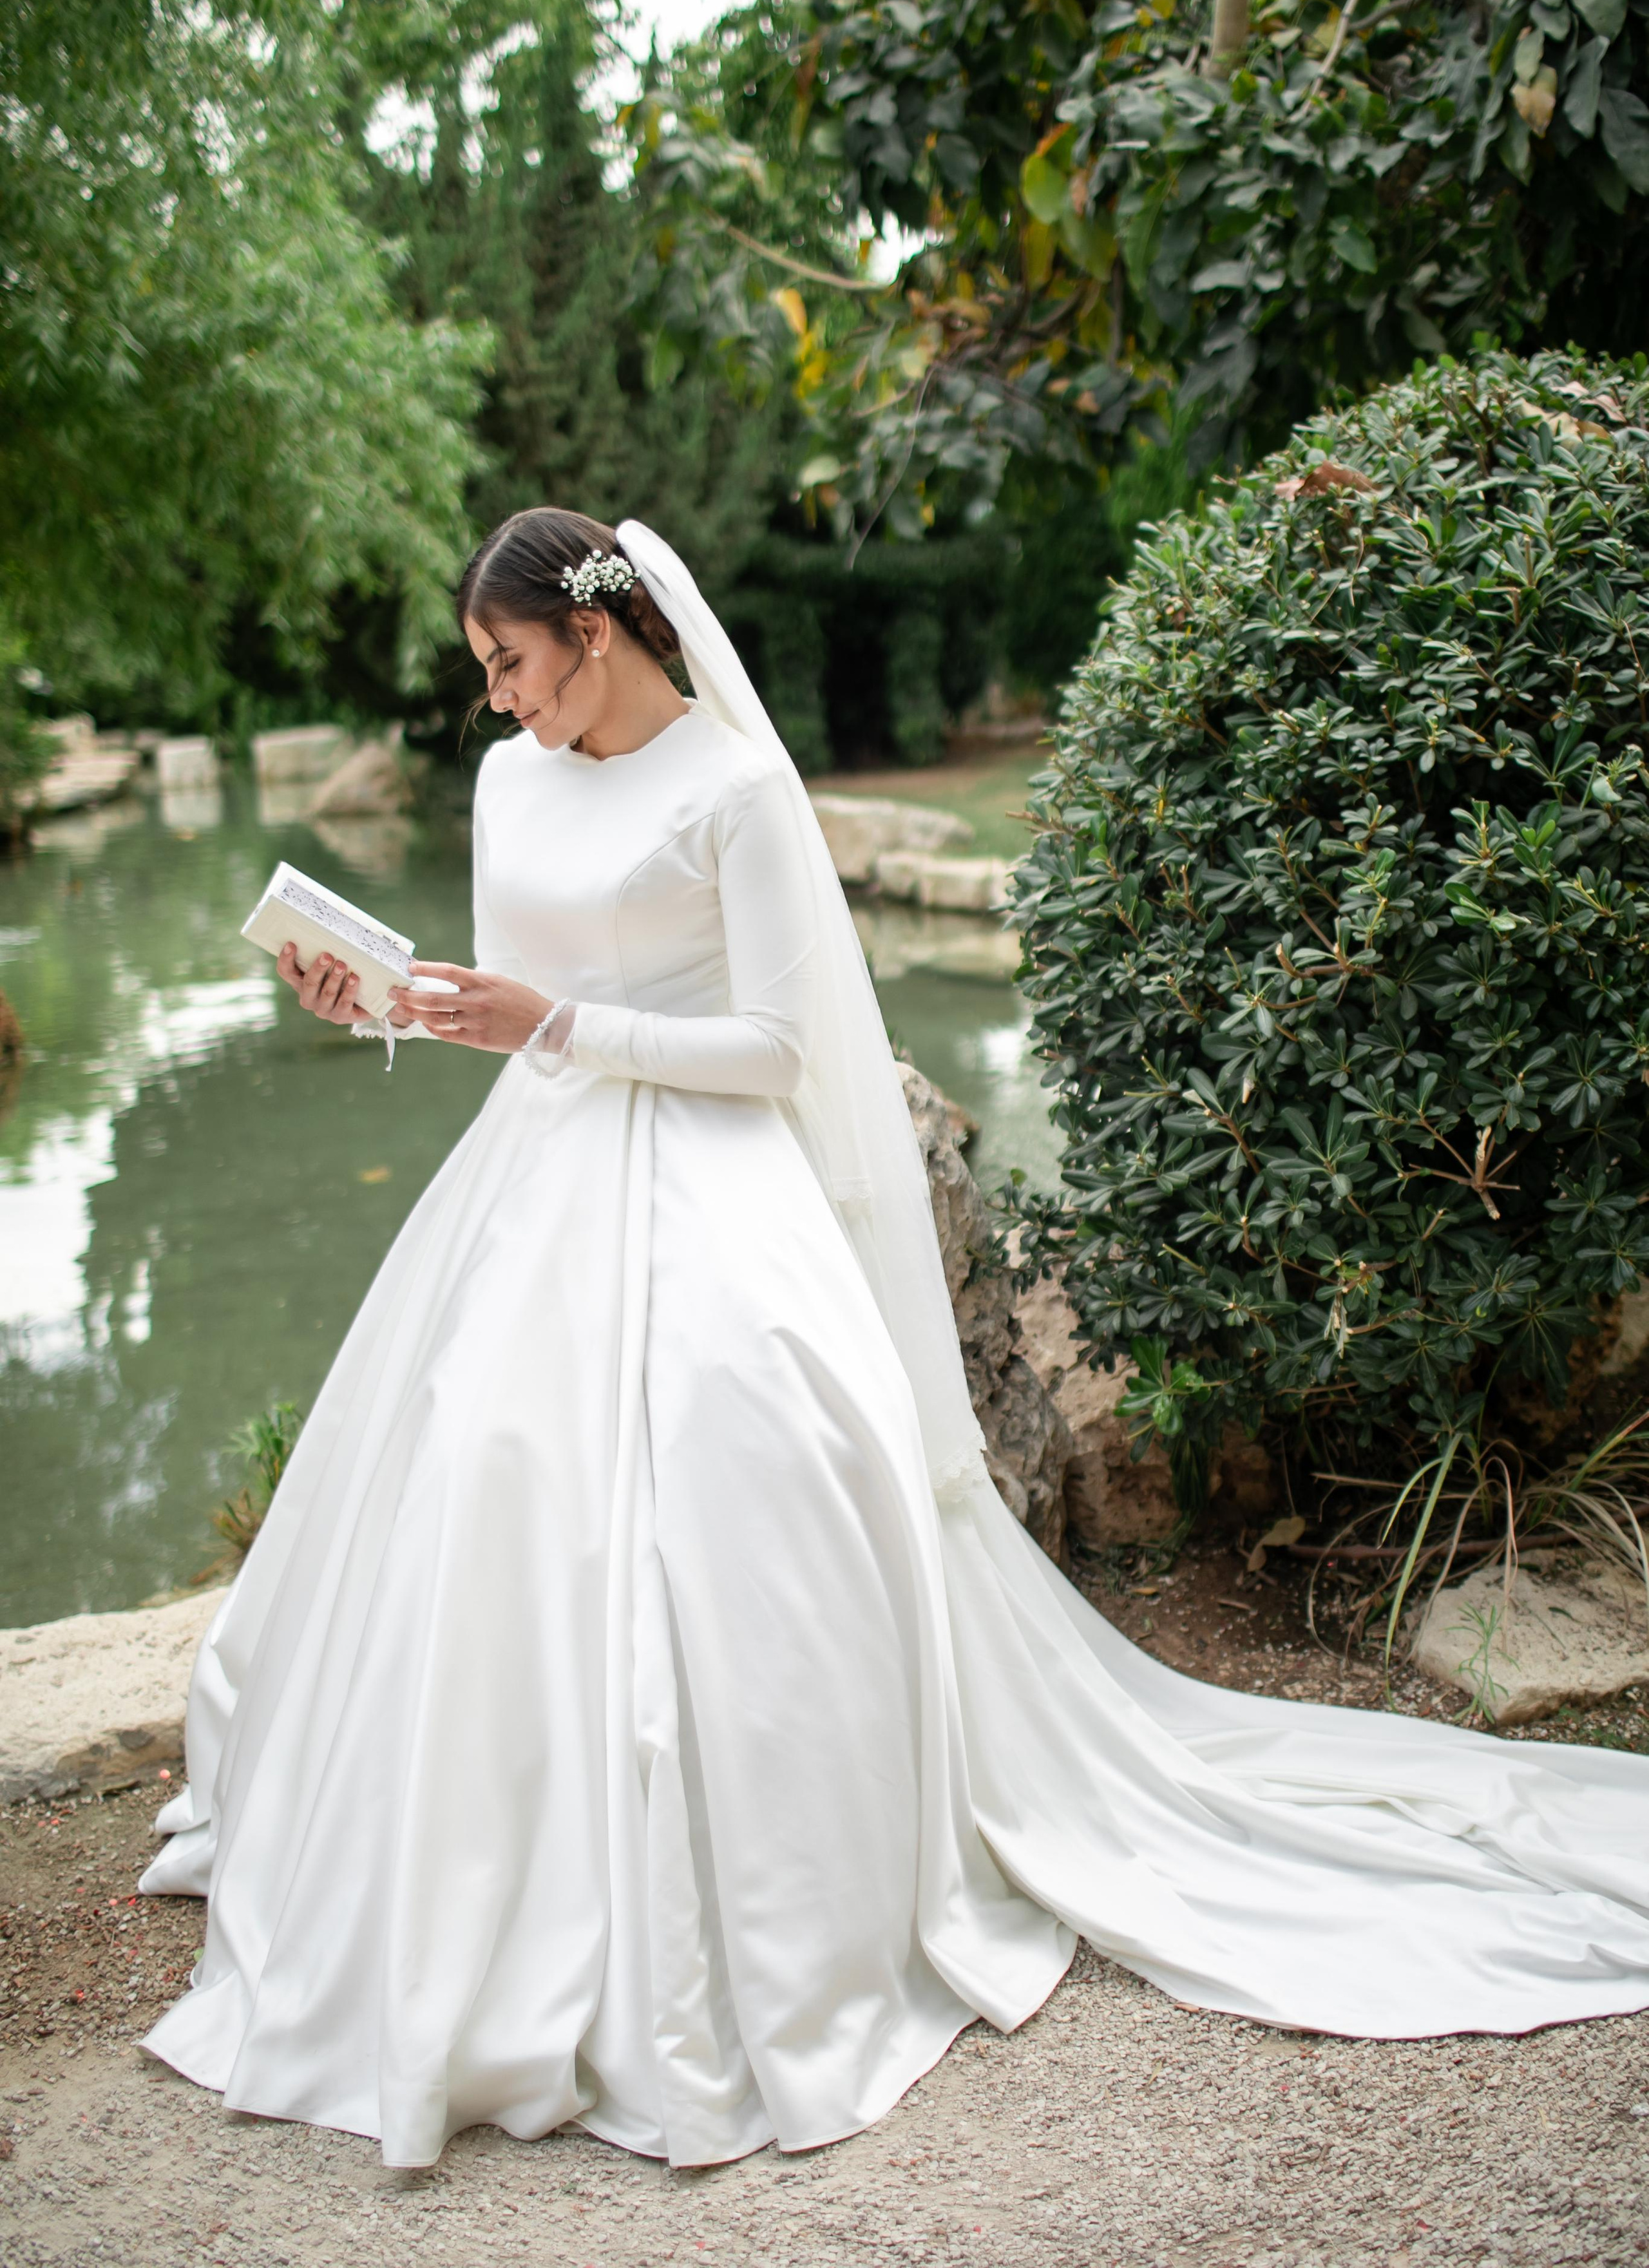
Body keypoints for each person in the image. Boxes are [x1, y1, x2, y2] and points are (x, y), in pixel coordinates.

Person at [138, 511, 1649, 2173]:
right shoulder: (511, 785)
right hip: (532, 1195)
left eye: (509, 665)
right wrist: (397, 1006)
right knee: (482, 1477)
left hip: (713, 1196)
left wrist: (556, 1022)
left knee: (740, 1489)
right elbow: (510, 1008)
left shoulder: (735, 790)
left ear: (592, 634)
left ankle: (771, 1901)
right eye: (485, 677)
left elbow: (779, 1051)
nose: (496, 704)